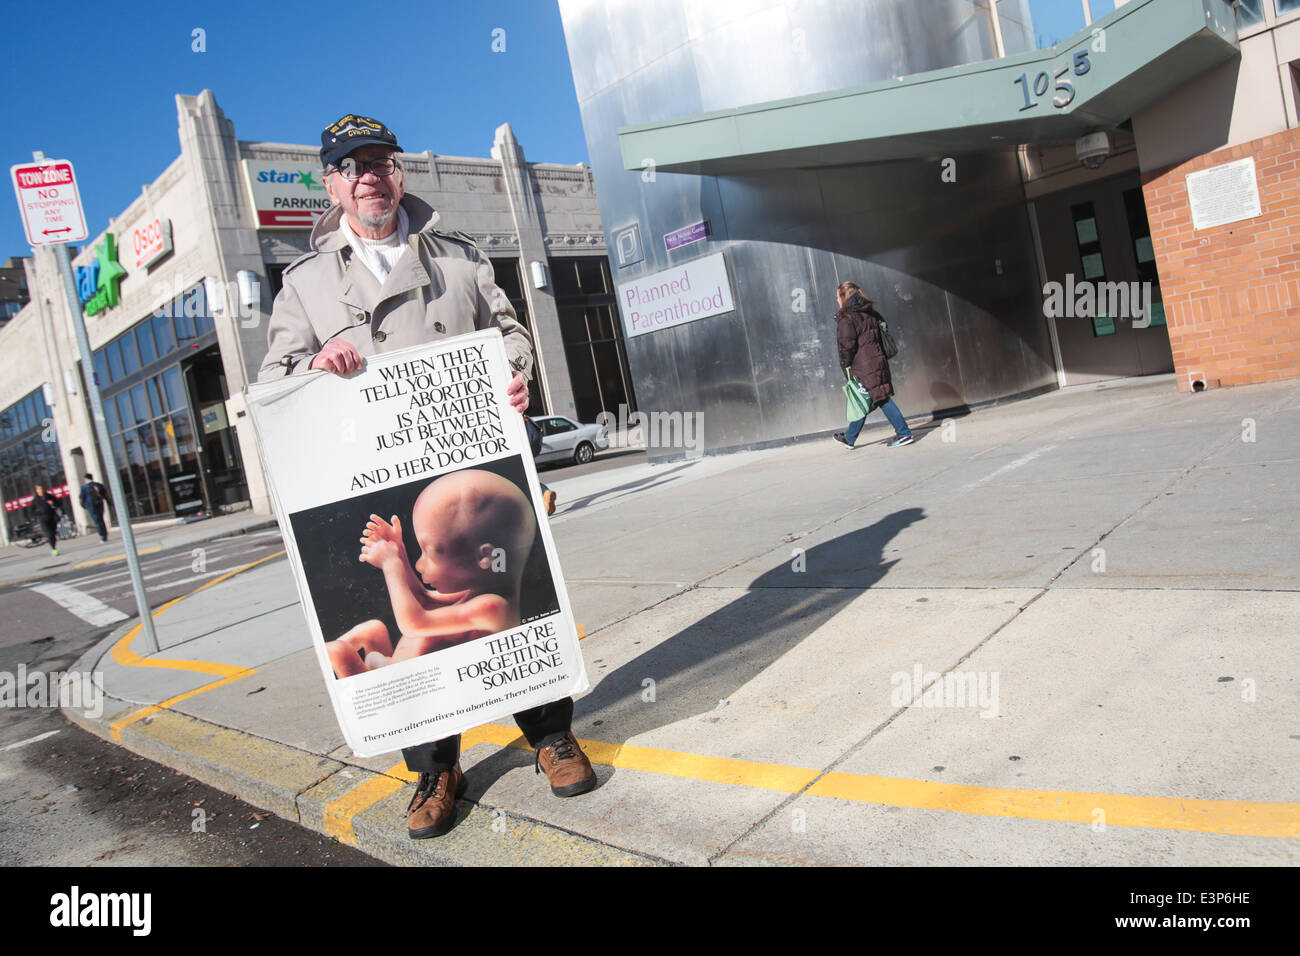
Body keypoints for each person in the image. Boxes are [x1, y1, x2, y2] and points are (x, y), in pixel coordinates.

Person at [259, 113, 595, 840]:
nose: (369, 176)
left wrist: (513, 373)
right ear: (332, 185)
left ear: (398, 174)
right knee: (419, 641)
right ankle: (436, 767)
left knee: (511, 599)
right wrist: (314, 369)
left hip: (466, 467)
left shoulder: (457, 257)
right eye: (352, 167)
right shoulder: (305, 286)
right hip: (376, 478)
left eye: (379, 162)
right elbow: (275, 381)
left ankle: (548, 733)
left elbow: (509, 331)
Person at [326, 470, 536, 676]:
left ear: (485, 557)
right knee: (373, 630)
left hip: (414, 689)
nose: (419, 565)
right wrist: (399, 552)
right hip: (395, 668)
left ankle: (330, 663)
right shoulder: (473, 593)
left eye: (431, 551)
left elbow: (414, 623)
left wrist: (392, 566)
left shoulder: (493, 607)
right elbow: (423, 600)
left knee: (339, 652)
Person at [832, 281, 914, 448]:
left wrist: (845, 366)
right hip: (876, 361)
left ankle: (904, 433)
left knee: (880, 398)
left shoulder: (847, 318)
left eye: (837, 297)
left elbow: (846, 346)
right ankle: (849, 437)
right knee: (867, 398)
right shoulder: (870, 313)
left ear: (844, 297)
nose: (837, 300)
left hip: (863, 367)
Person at [28, 484, 64, 555]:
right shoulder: (35, 500)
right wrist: (36, 515)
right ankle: (53, 549)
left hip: (52, 517)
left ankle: (53, 546)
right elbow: (31, 511)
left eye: (41, 488)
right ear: (36, 490)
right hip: (42, 519)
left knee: (53, 534)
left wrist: (53, 503)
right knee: (49, 534)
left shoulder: (49, 497)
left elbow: (59, 503)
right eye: (38, 489)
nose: (40, 490)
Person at [79, 473, 109, 542]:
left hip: (91, 506)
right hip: (100, 504)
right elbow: (105, 495)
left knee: (97, 521)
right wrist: (109, 503)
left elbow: (81, 498)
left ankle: (102, 536)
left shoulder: (84, 487)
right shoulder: (98, 485)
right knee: (101, 519)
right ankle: (105, 534)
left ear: (86, 479)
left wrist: (83, 505)